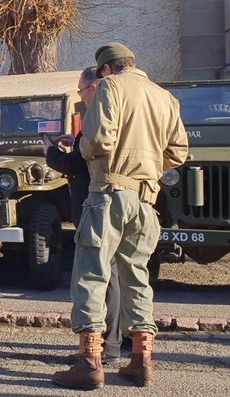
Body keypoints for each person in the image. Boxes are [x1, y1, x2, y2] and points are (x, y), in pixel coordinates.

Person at [52, 43, 188, 389]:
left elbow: (97, 141)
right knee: (136, 277)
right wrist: (148, 166)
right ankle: (141, 361)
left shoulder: (109, 88)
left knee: (91, 274)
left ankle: (89, 362)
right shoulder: (164, 97)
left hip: (109, 193)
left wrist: (78, 148)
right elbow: (179, 152)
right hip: (146, 200)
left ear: (105, 70)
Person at [43, 67, 123, 365]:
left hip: (95, 205)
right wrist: (74, 139)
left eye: (81, 91)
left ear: (93, 87)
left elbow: (78, 164)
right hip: (112, 201)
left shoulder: (99, 113)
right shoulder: (111, 112)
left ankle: (100, 350)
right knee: (115, 275)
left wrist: (51, 154)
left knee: (97, 276)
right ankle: (113, 344)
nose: (80, 97)